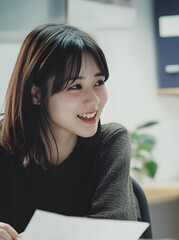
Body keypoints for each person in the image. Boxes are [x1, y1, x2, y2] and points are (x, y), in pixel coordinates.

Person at [0, 23, 136, 239]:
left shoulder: (110, 142)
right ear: (36, 94)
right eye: (75, 86)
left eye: (99, 82)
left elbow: (114, 228)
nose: (94, 99)